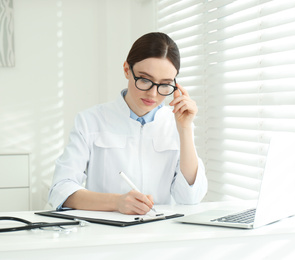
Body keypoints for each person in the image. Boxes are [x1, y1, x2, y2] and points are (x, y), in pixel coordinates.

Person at [48, 32, 207, 215]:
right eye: (145, 80)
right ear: (126, 70)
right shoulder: (90, 121)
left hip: (161, 232)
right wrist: (116, 202)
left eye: (165, 84)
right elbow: (60, 190)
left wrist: (185, 129)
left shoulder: (177, 124)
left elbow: (190, 198)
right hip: (105, 233)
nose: (153, 94)